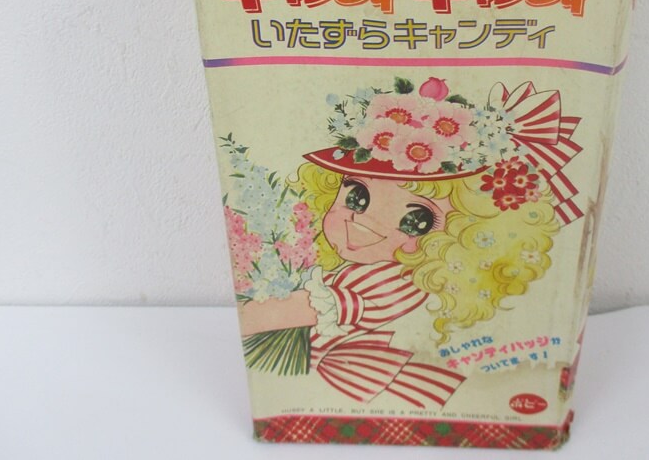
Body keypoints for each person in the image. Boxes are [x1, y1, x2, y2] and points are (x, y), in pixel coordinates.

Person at [237, 78, 583, 408]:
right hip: (335, 384)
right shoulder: (368, 267)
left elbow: (302, 309)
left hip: (371, 386)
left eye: (415, 221)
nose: (362, 224)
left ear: (460, 241)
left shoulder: (390, 280)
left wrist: (251, 314)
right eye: (356, 196)